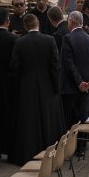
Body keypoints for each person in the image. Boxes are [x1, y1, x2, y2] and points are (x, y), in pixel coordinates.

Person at [7, 14, 64, 164]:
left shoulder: (20, 42)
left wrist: (18, 86)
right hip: (47, 86)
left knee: (28, 122)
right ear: (38, 23)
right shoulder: (50, 40)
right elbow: (55, 67)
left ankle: (27, 154)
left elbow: (14, 67)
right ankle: (49, 153)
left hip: (27, 87)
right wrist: (56, 87)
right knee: (47, 120)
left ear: (25, 26)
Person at [59, 11, 89, 155]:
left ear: (71, 22)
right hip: (86, 88)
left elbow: (69, 64)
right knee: (82, 118)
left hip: (71, 88)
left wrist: (79, 82)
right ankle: (80, 148)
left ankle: (69, 149)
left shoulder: (68, 38)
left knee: (69, 119)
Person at [0, 8, 18, 160]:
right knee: (9, 116)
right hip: (9, 83)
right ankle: (9, 148)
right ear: (8, 21)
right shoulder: (14, 39)